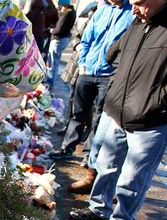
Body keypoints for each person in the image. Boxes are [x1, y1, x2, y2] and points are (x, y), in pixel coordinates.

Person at [69, 0, 167, 220]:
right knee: (105, 165)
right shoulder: (141, 18)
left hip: (153, 119)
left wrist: (157, 104)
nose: (132, 9)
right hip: (117, 110)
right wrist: (118, 88)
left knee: (133, 176)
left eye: (139, 4)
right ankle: (99, 208)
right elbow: (115, 53)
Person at [48, 0, 134, 174]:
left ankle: (89, 154)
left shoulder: (132, 13)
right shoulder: (102, 11)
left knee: (99, 118)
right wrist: (83, 63)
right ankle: (67, 147)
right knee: (77, 112)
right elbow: (86, 39)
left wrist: (116, 70)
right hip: (87, 71)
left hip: (109, 75)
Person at [45, 0, 76, 88]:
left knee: (52, 63)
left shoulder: (67, 13)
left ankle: (50, 85)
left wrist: (51, 30)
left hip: (58, 39)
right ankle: (51, 84)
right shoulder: (72, 12)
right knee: (55, 62)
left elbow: (59, 29)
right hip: (64, 39)